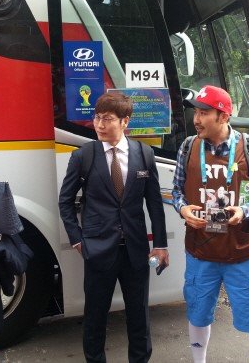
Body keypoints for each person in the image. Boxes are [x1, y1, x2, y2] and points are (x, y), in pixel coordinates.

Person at [58, 91, 169, 363]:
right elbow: (65, 201)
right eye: (97, 118)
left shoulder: (144, 154)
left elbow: (154, 203)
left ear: (124, 121)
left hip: (135, 252)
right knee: (95, 318)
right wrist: (77, 240)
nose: (99, 124)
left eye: (107, 119)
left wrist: (160, 244)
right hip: (97, 250)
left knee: (139, 317)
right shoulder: (84, 156)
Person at [172, 85, 249, 363]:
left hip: (242, 251)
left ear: (224, 116)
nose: (196, 119)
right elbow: (177, 190)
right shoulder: (188, 147)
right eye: (196, 112)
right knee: (197, 313)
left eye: (204, 113)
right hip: (201, 250)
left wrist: (245, 209)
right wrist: (182, 208)